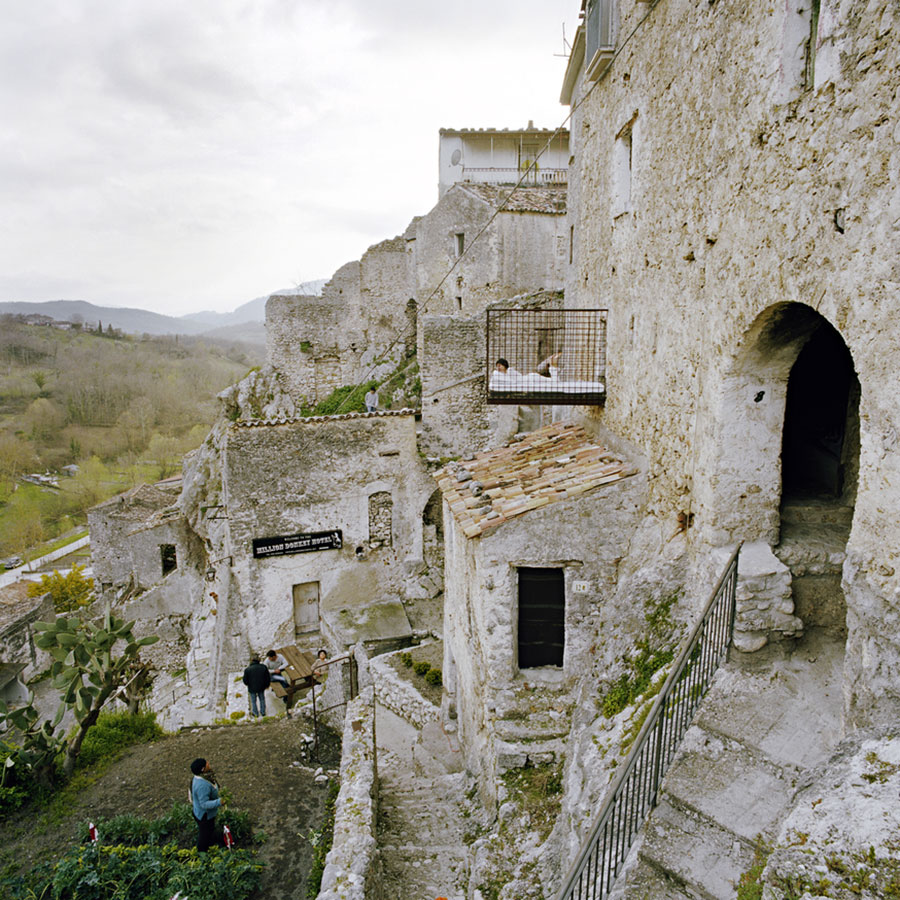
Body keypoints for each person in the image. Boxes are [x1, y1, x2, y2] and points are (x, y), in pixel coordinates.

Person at [190, 757, 222, 852]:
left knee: (209, 831)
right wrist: (219, 802)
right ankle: (202, 853)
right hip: (204, 816)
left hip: (201, 813)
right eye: (206, 763)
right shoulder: (202, 785)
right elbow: (204, 804)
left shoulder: (202, 778)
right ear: (203, 769)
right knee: (204, 835)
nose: (209, 763)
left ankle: (211, 844)